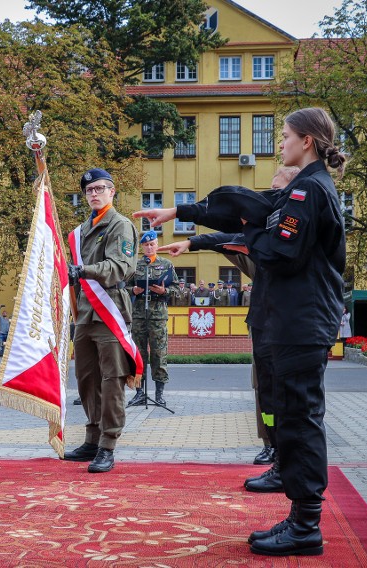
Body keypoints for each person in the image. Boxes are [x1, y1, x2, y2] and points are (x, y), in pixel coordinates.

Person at [137, 107, 346, 556]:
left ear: (307, 141)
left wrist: (252, 237)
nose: (280, 143)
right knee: (289, 415)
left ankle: (307, 524)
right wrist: (180, 211)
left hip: (302, 322)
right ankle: (298, 514)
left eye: (286, 135)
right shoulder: (300, 191)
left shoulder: (310, 191)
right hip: (290, 320)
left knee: (301, 418)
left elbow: (278, 253)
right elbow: (242, 206)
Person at [63, 168, 139, 474]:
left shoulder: (120, 226)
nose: (94, 193)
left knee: (111, 382)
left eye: (100, 188)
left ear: (112, 192)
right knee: (86, 379)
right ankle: (91, 439)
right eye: (89, 190)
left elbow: (121, 267)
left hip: (110, 309)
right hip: (85, 312)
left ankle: (108, 445)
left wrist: (83, 271)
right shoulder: (81, 230)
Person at [128, 229, 178, 406]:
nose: (149, 247)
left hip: (158, 316)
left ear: (157, 245)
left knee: (159, 354)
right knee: (138, 356)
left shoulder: (166, 265)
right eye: (146, 245)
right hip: (139, 315)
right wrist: (133, 290)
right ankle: (140, 392)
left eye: (152, 244)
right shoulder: (134, 265)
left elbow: (178, 290)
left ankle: (159, 395)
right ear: (142, 247)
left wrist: (165, 291)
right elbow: (123, 289)